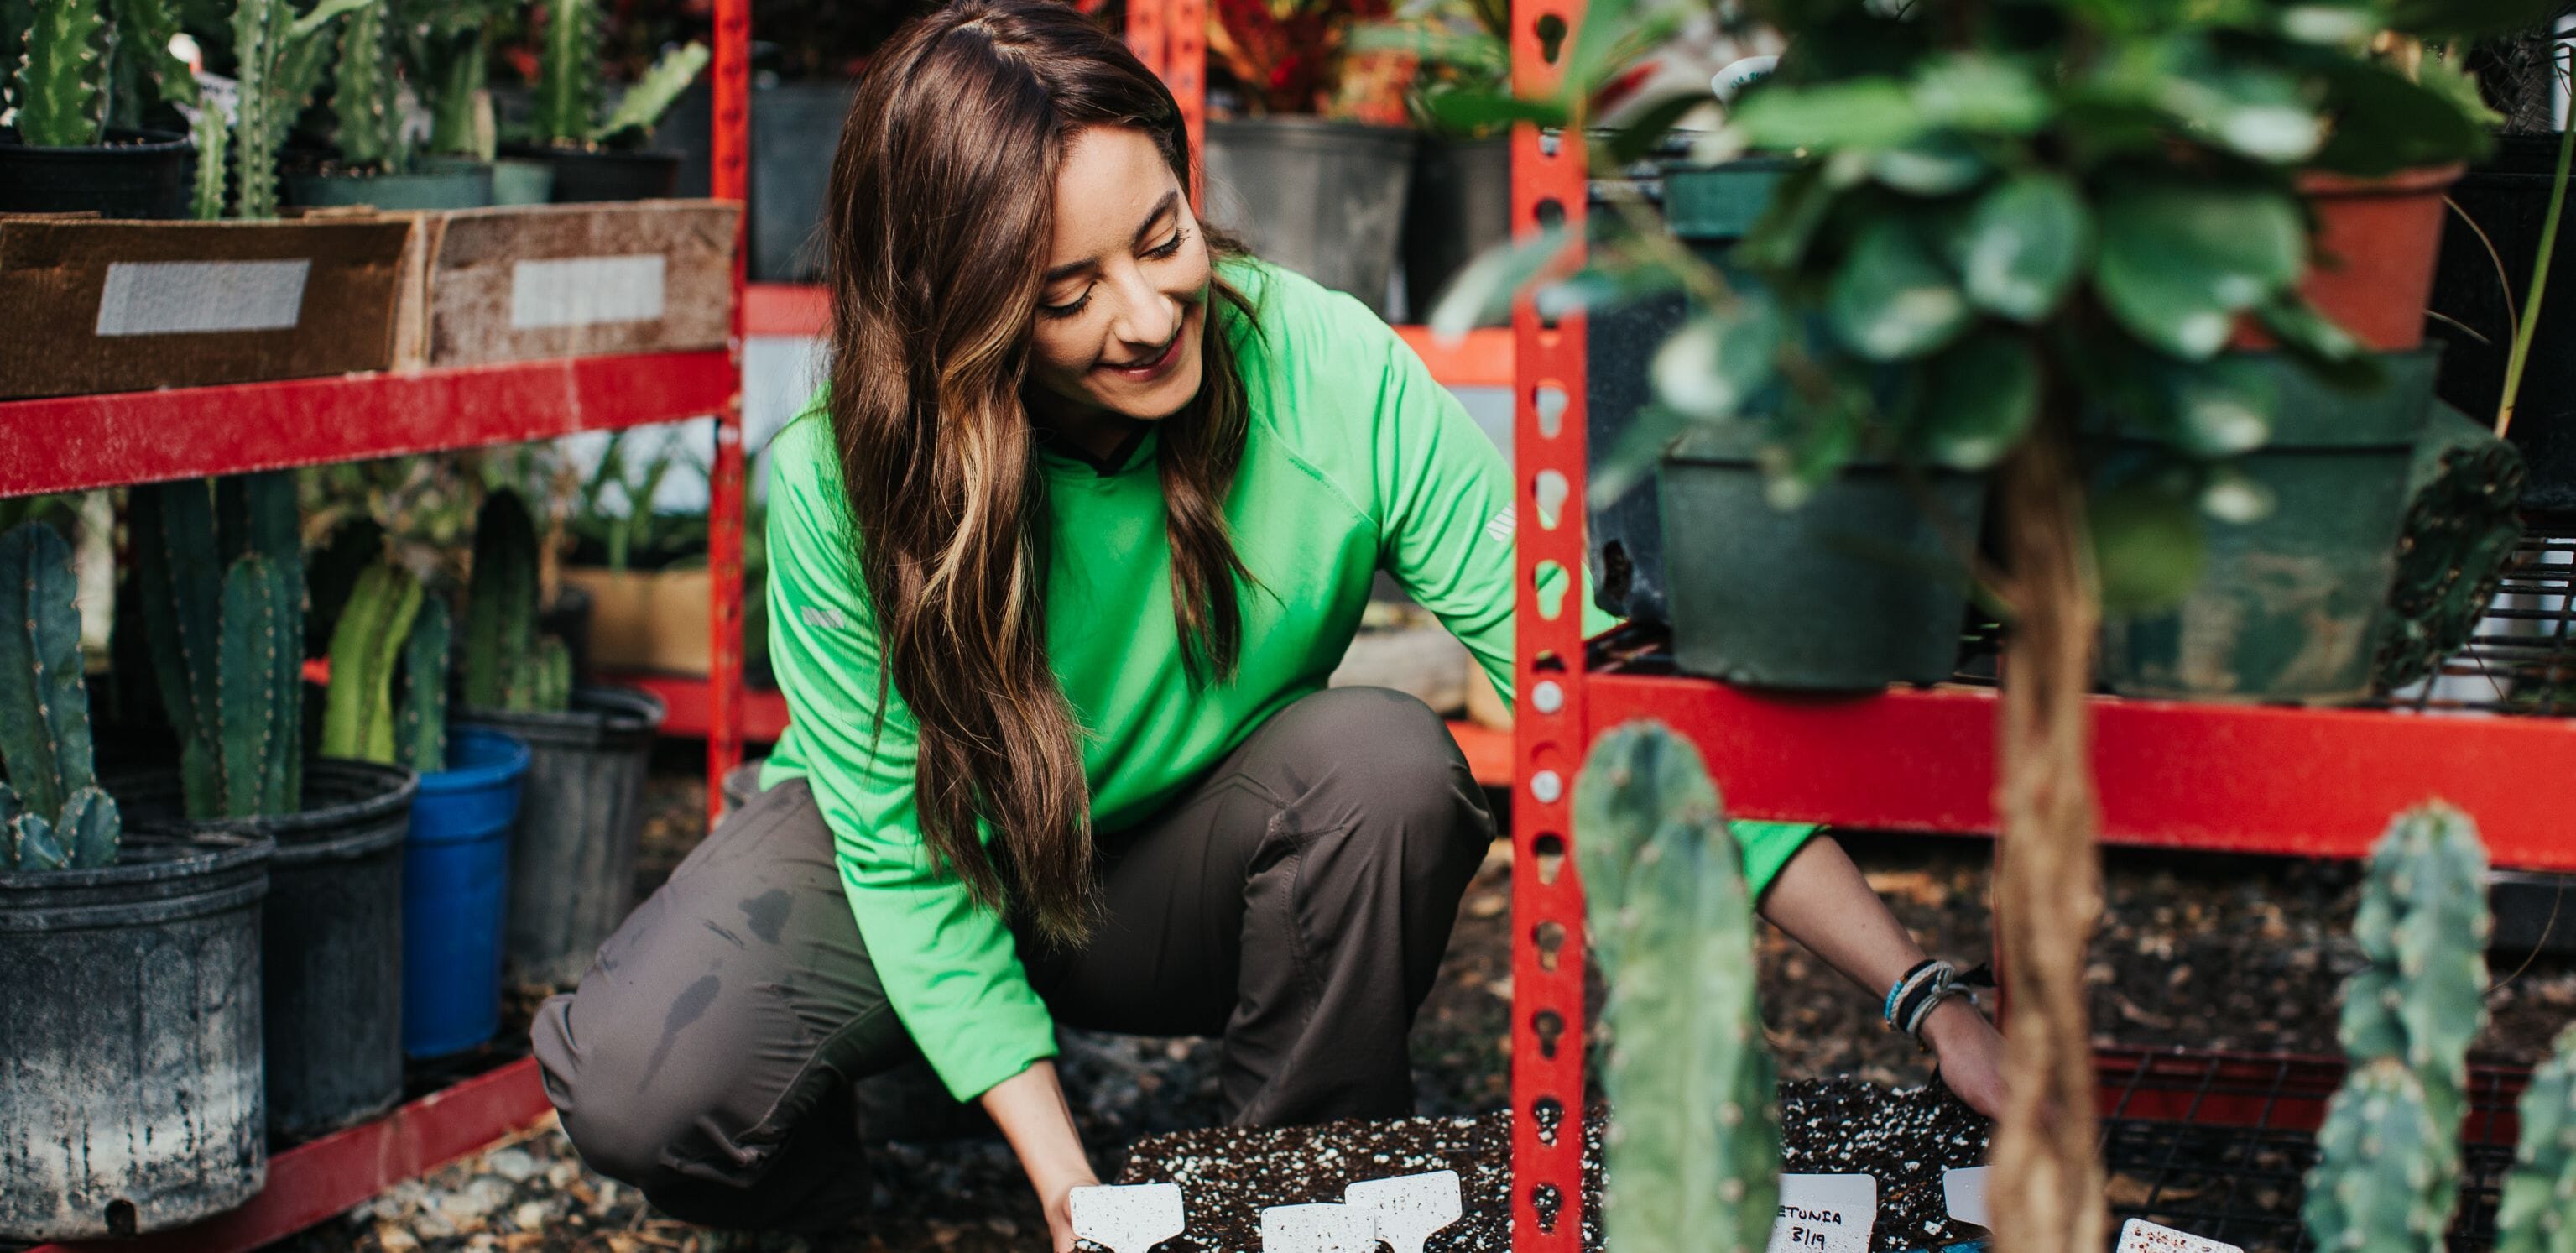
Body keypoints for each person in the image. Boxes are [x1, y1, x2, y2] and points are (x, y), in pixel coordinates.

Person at [529, 1, 2009, 1246]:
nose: (1149, 313)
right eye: (1065, 293)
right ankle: (881, 1171)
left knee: (1385, 761)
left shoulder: (1328, 373)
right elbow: (907, 870)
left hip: (1179, 870)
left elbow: (1596, 707)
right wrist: (1070, 1191)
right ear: (962, 315)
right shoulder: (849, 484)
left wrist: (1923, 992)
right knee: (645, 1086)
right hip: (932, 857)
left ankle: (1273, 1202)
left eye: (1160, 237)